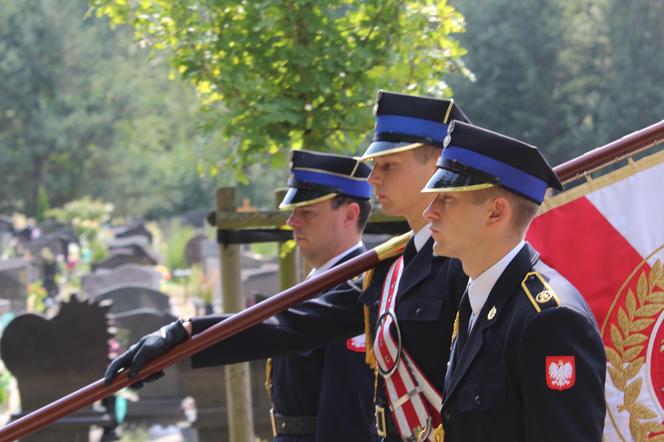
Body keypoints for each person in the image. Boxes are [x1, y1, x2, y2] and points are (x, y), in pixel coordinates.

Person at [106, 91, 471, 442]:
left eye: (388, 165)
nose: (373, 177)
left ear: (438, 162)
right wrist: (183, 335)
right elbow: (291, 324)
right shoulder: (393, 267)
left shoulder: (465, 262)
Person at [106, 149, 375, 442]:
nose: (292, 222)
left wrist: (186, 334)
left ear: (350, 214)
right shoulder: (322, 284)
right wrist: (179, 339)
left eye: (307, 212)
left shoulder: (357, 290)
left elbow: (349, 416)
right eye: (293, 211)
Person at [421, 120, 606, 441]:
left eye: (446, 199)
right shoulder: (477, 298)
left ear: (495, 212)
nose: (429, 212)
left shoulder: (549, 319)